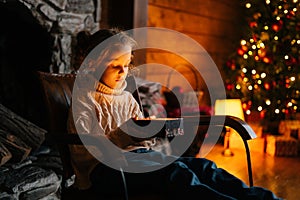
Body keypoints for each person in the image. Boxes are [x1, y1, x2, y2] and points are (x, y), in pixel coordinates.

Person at [67, 28, 281, 199]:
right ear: (93, 64)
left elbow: (141, 143)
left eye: (126, 64)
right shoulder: (84, 99)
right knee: (178, 174)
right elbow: (85, 151)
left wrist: (152, 131)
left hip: (137, 159)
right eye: (115, 66)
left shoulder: (126, 98)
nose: (123, 72)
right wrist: (127, 134)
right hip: (105, 170)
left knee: (205, 167)